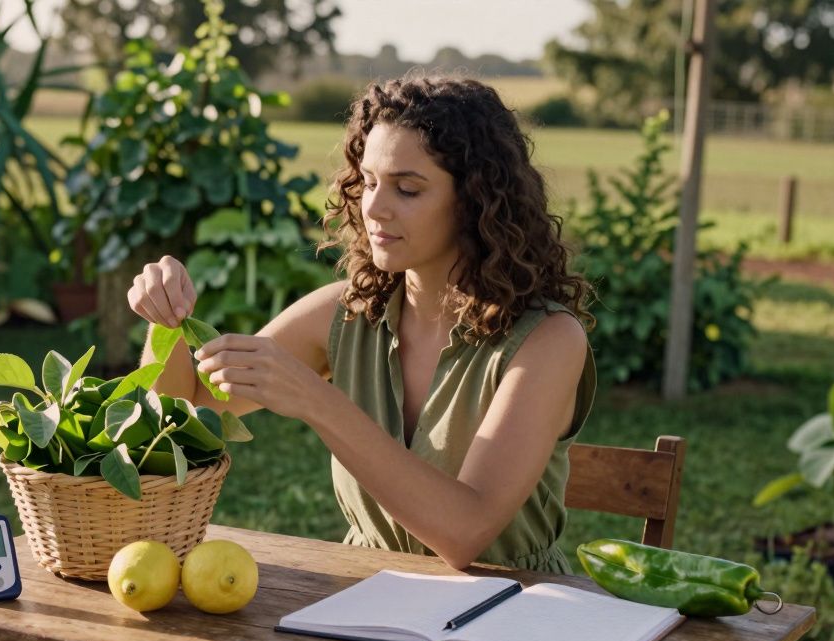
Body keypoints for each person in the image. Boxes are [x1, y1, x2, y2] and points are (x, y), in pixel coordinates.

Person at [126, 76, 595, 573]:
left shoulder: (547, 341)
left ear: (476, 201)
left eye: (407, 189)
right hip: (366, 593)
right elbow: (184, 414)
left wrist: (316, 400)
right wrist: (165, 321)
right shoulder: (345, 313)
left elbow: (465, 532)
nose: (374, 207)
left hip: (511, 604)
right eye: (369, 182)